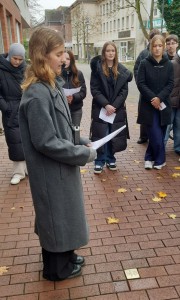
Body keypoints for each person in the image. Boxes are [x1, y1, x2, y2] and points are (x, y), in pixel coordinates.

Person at [19, 27, 96, 281]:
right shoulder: (37, 93)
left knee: (65, 216)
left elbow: (62, 129)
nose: (64, 58)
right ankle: (56, 269)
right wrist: (81, 154)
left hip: (60, 167)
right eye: (59, 53)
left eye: (64, 53)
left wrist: (80, 141)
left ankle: (68, 255)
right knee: (56, 218)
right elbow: (46, 141)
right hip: (50, 171)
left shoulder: (50, 84)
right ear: (43, 56)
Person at [90, 41, 132, 174]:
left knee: (113, 134)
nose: (110, 53)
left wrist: (114, 106)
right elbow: (95, 90)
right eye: (108, 51)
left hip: (116, 110)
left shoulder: (122, 71)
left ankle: (110, 158)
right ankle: (99, 160)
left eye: (113, 51)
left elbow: (124, 91)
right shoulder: (97, 69)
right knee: (102, 134)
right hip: (101, 108)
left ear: (116, 53)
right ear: (104, 53)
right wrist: (106, 104)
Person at [137, 35, 174, 170]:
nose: (157, 49)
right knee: (155, 135)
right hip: (148, 105)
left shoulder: (169, 64)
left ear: (163, 47)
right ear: (151, 47)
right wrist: (153, 98)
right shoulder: (144, 63)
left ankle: (149, 157)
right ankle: (160, 160)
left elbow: (170, 84)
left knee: (159, 133)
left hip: (164, 106)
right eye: (154, 46)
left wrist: (160, 98)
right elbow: (140, 83)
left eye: (160, 46)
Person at [0, 43, 27, 184]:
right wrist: (6, 107)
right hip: (10, 110)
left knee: (28, 139)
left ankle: (27, 168)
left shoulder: (26, 69)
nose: (17, 62)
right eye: (14, 58)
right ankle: (18, 172)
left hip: (25, 108)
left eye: (20, 59)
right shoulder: (1, 69)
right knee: (14, 140)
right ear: (10, 55)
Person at [134, 29, 160, 144]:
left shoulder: (162, 53)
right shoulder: (143, 54)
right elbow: (136, 69)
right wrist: (140, 84)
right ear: (149, 39)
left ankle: (156, 135)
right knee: (144, 113)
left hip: (158, 91)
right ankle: (143, 136)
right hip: (145, 90)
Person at [61, 50, 86, 127]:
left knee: (75, 134)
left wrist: (73, 97)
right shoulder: (56, 75)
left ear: (71, 60)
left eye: (68, 59)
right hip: (62, 110)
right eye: (63, 58)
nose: (65, 61)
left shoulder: (79, 74)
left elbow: (83, 92)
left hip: (76, 109)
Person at [164, 49, 180, 156]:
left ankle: (178, 148)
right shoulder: (172, 64)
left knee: (179, 126)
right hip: (171, 101)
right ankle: (161, 147)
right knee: (167, 126)